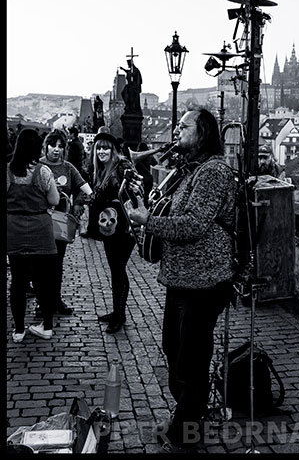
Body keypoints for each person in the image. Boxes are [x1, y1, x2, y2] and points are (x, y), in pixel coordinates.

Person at [126, 108, 237, 450]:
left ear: (202, 132)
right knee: (175, 350)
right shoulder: (189, 172)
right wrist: (143, 207)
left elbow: (194, 224)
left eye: (183, 125)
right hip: (182, 278)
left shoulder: (214, 171)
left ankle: (189, 427)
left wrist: (147, 221)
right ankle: (186, 414)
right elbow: (168, 214)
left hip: (205, 280)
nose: (176, 129)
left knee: (191, 358)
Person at [7, 128, 60, 342]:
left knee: (18, 281)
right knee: (43, 281)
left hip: (14, 229)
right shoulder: (43, 171)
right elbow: (55, 200)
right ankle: (46, 326)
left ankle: (19, 330)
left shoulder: (8, 171)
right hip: (40, 228)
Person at [88, 131, 137, 334]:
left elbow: (133, 192)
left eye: (106, 147)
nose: (101, 151)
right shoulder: (100, 169)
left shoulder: (122, 166)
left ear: (114, 150)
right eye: (99, 147)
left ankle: (119, 315)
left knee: (118, 270)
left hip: (123, 227)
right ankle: (117, 311)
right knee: (115, 269)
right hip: (110, 228)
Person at [40, 129, 92, 315]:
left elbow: (84, 187)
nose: (56, 149)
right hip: (41, 222)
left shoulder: (68, 168)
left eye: (61, 146)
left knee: (57, 262)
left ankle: (55, 300)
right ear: (46, 146)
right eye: (53, 145)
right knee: (43, 264)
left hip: (61, 222)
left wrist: (79, 202)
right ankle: (42, 301)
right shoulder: (38, 166)